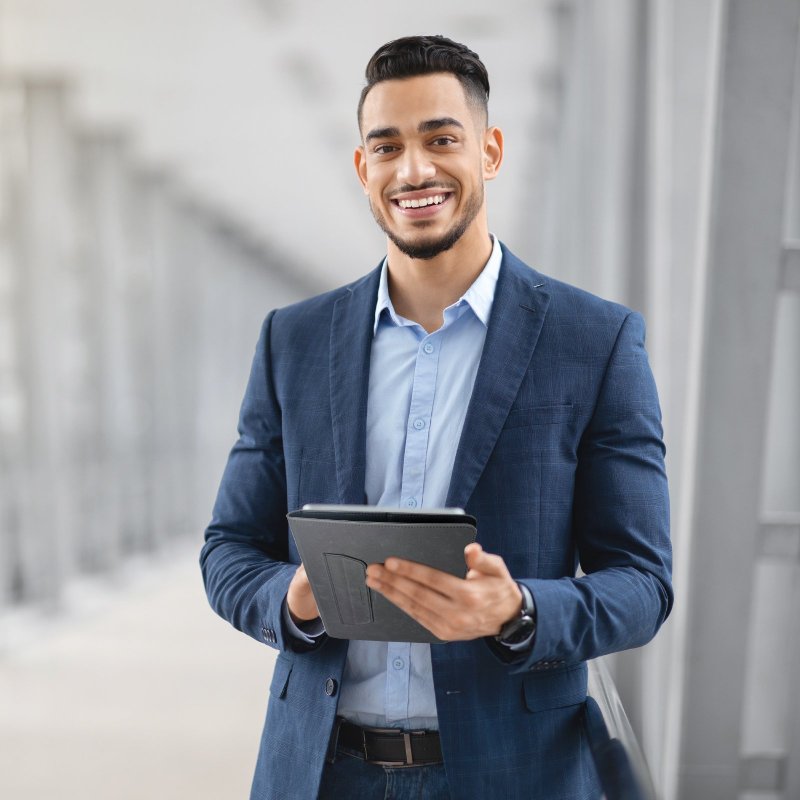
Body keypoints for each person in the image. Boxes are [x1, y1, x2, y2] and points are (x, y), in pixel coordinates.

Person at [201, 34, 673, 800]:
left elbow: (644, 583)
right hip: (320, 771)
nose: (413, 170)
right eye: (386, 147)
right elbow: (228, 550)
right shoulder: (293, 339)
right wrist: (292, 601)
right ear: (364, 170)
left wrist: (518, 609)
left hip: (515, 772)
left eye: (441, 139)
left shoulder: (595, 341)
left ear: (489, 150)